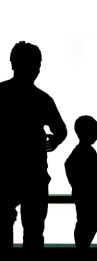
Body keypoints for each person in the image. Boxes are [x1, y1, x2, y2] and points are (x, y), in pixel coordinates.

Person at [2, 41, 67, 247]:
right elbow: (61, 130)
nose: (37, 68)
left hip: (5, 173)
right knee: (34, 232)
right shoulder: (42, 99)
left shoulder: (0, 94)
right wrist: (54, 141)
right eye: (35, 64)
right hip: (35, 174)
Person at [64, 115, 97, 248]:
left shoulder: (83, 150)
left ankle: (82, 245)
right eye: (94, 131)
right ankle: (82, 246)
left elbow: (88, 166)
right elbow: (89, 167)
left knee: (88, 222)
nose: (95, 135)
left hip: (87, 195)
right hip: (87, 196)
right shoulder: (85, 151)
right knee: (88, 222)